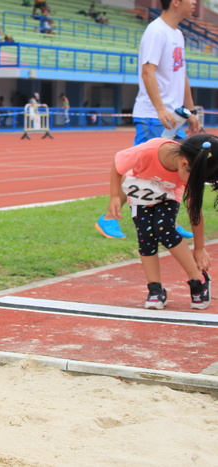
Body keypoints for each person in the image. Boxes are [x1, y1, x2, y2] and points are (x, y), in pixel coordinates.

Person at [95, 0, 199, 240]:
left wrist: (191, 110)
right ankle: (108, 218)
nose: (194, 2)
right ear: (175, 2)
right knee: (141, 172)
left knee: (176, 170)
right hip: (154, 116)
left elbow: (181, 74)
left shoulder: (177, 33)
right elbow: (147, 71)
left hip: (174, 116)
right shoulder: (156, 31)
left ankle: (168, 220)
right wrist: (160, 108)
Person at [102, 134, 217, 310]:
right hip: (141, 189)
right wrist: (115, 196)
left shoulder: (190, 169)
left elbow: (195, 212)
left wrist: (200, 248)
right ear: (184, 164)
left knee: (163, 229)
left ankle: (198, 280)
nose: (198, 185)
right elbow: (118, 164)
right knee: (146, 237)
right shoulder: (147, 151)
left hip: (169, 193)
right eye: (198, 180)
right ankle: (155, 290)